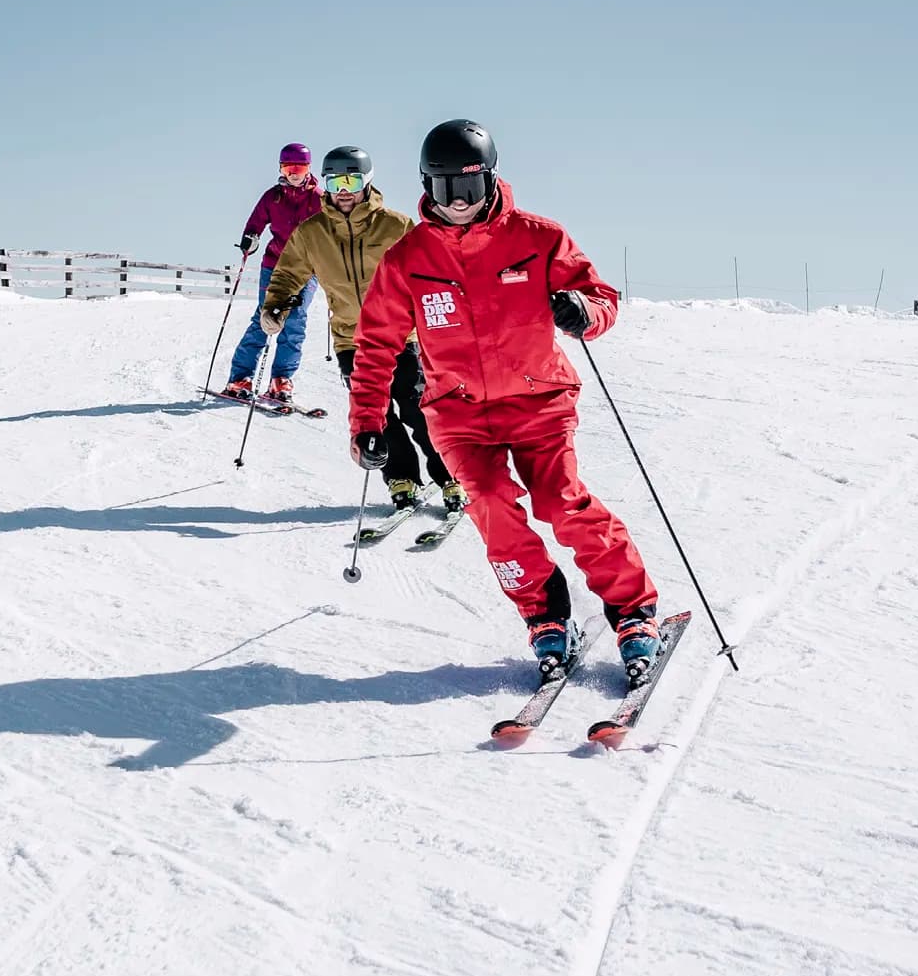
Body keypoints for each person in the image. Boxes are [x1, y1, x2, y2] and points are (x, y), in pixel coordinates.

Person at [344, 119, 665, 687]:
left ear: (491, 178)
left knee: (561, 504)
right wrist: (368, 422)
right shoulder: (407, 258)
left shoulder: (538, 237)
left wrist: (582, 313)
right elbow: (375, 345)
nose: (459, 202)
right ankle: (543, 614)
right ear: (426, 186)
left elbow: (600, 297)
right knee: (489, 504)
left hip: (540, 401)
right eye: (445, 190)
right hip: (459, 414)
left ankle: (632, 612)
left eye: (469, 187)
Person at [257, 145, 462, 513]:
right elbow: (288, 273)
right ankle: (401, 476)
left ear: (367, 181)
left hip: (403, 336)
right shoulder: (312, 233)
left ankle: (450, 475)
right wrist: (275, 304)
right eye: (336, 181)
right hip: (352, 340)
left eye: (352, 180)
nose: (344, 189)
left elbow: (431, 270)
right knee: (377, 414)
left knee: (417, 407)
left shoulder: (396, 226)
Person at [221, 143, 324, 406]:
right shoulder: (273, 197)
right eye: (288, 168)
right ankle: (240, 378)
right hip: (274, 265)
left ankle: (281, 380)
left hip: (306, 269)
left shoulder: (319, 199)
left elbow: (333, 230)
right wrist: (250, 239)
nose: (293, 173)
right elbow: (255, 223)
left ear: (308, 169)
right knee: (265, 318)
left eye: (299, 168)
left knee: (295, 321)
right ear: (281, 169)